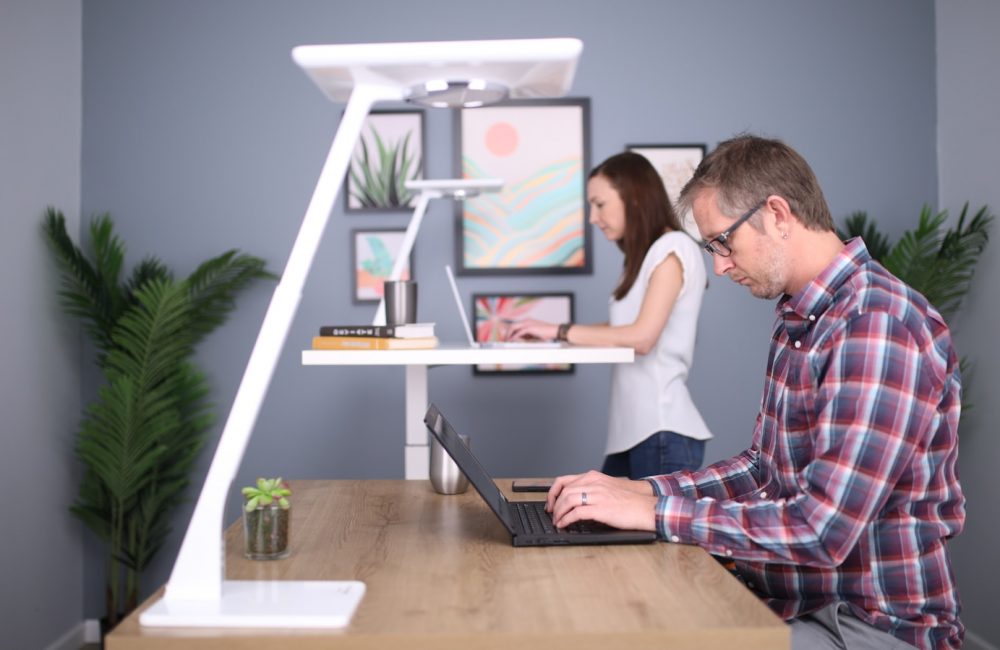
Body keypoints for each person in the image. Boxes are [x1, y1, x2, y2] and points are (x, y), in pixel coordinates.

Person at [544, 135, 965, 650]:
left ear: (778, 214)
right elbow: (762, 471)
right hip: (797, 605)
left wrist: (652, 514)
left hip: (865, 626)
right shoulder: (800, 318)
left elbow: (821, 530)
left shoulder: (877, 324)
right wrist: (644, 491)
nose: (719, 267)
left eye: (723, 242)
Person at [508, 151, 712, 479]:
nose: (592, 217)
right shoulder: (642, 257)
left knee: (644, 531)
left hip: (661, 432)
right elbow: (621, 329)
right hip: (632, 433)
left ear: (633, 198)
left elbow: (642, 337)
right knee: (605, 526)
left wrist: (561, 331)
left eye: (599, 204)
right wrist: (552, 333)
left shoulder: (673, 247)